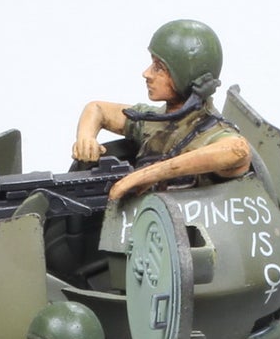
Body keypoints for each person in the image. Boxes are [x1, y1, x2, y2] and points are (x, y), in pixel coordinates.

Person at [73, 19, 252, 203]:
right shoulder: (153, 121)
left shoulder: (211, 132)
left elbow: (238, 151)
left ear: (185, 75)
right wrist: (86, 138)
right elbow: (97, 108)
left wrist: (146, 175)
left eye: (159, 68)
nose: (147, 73)